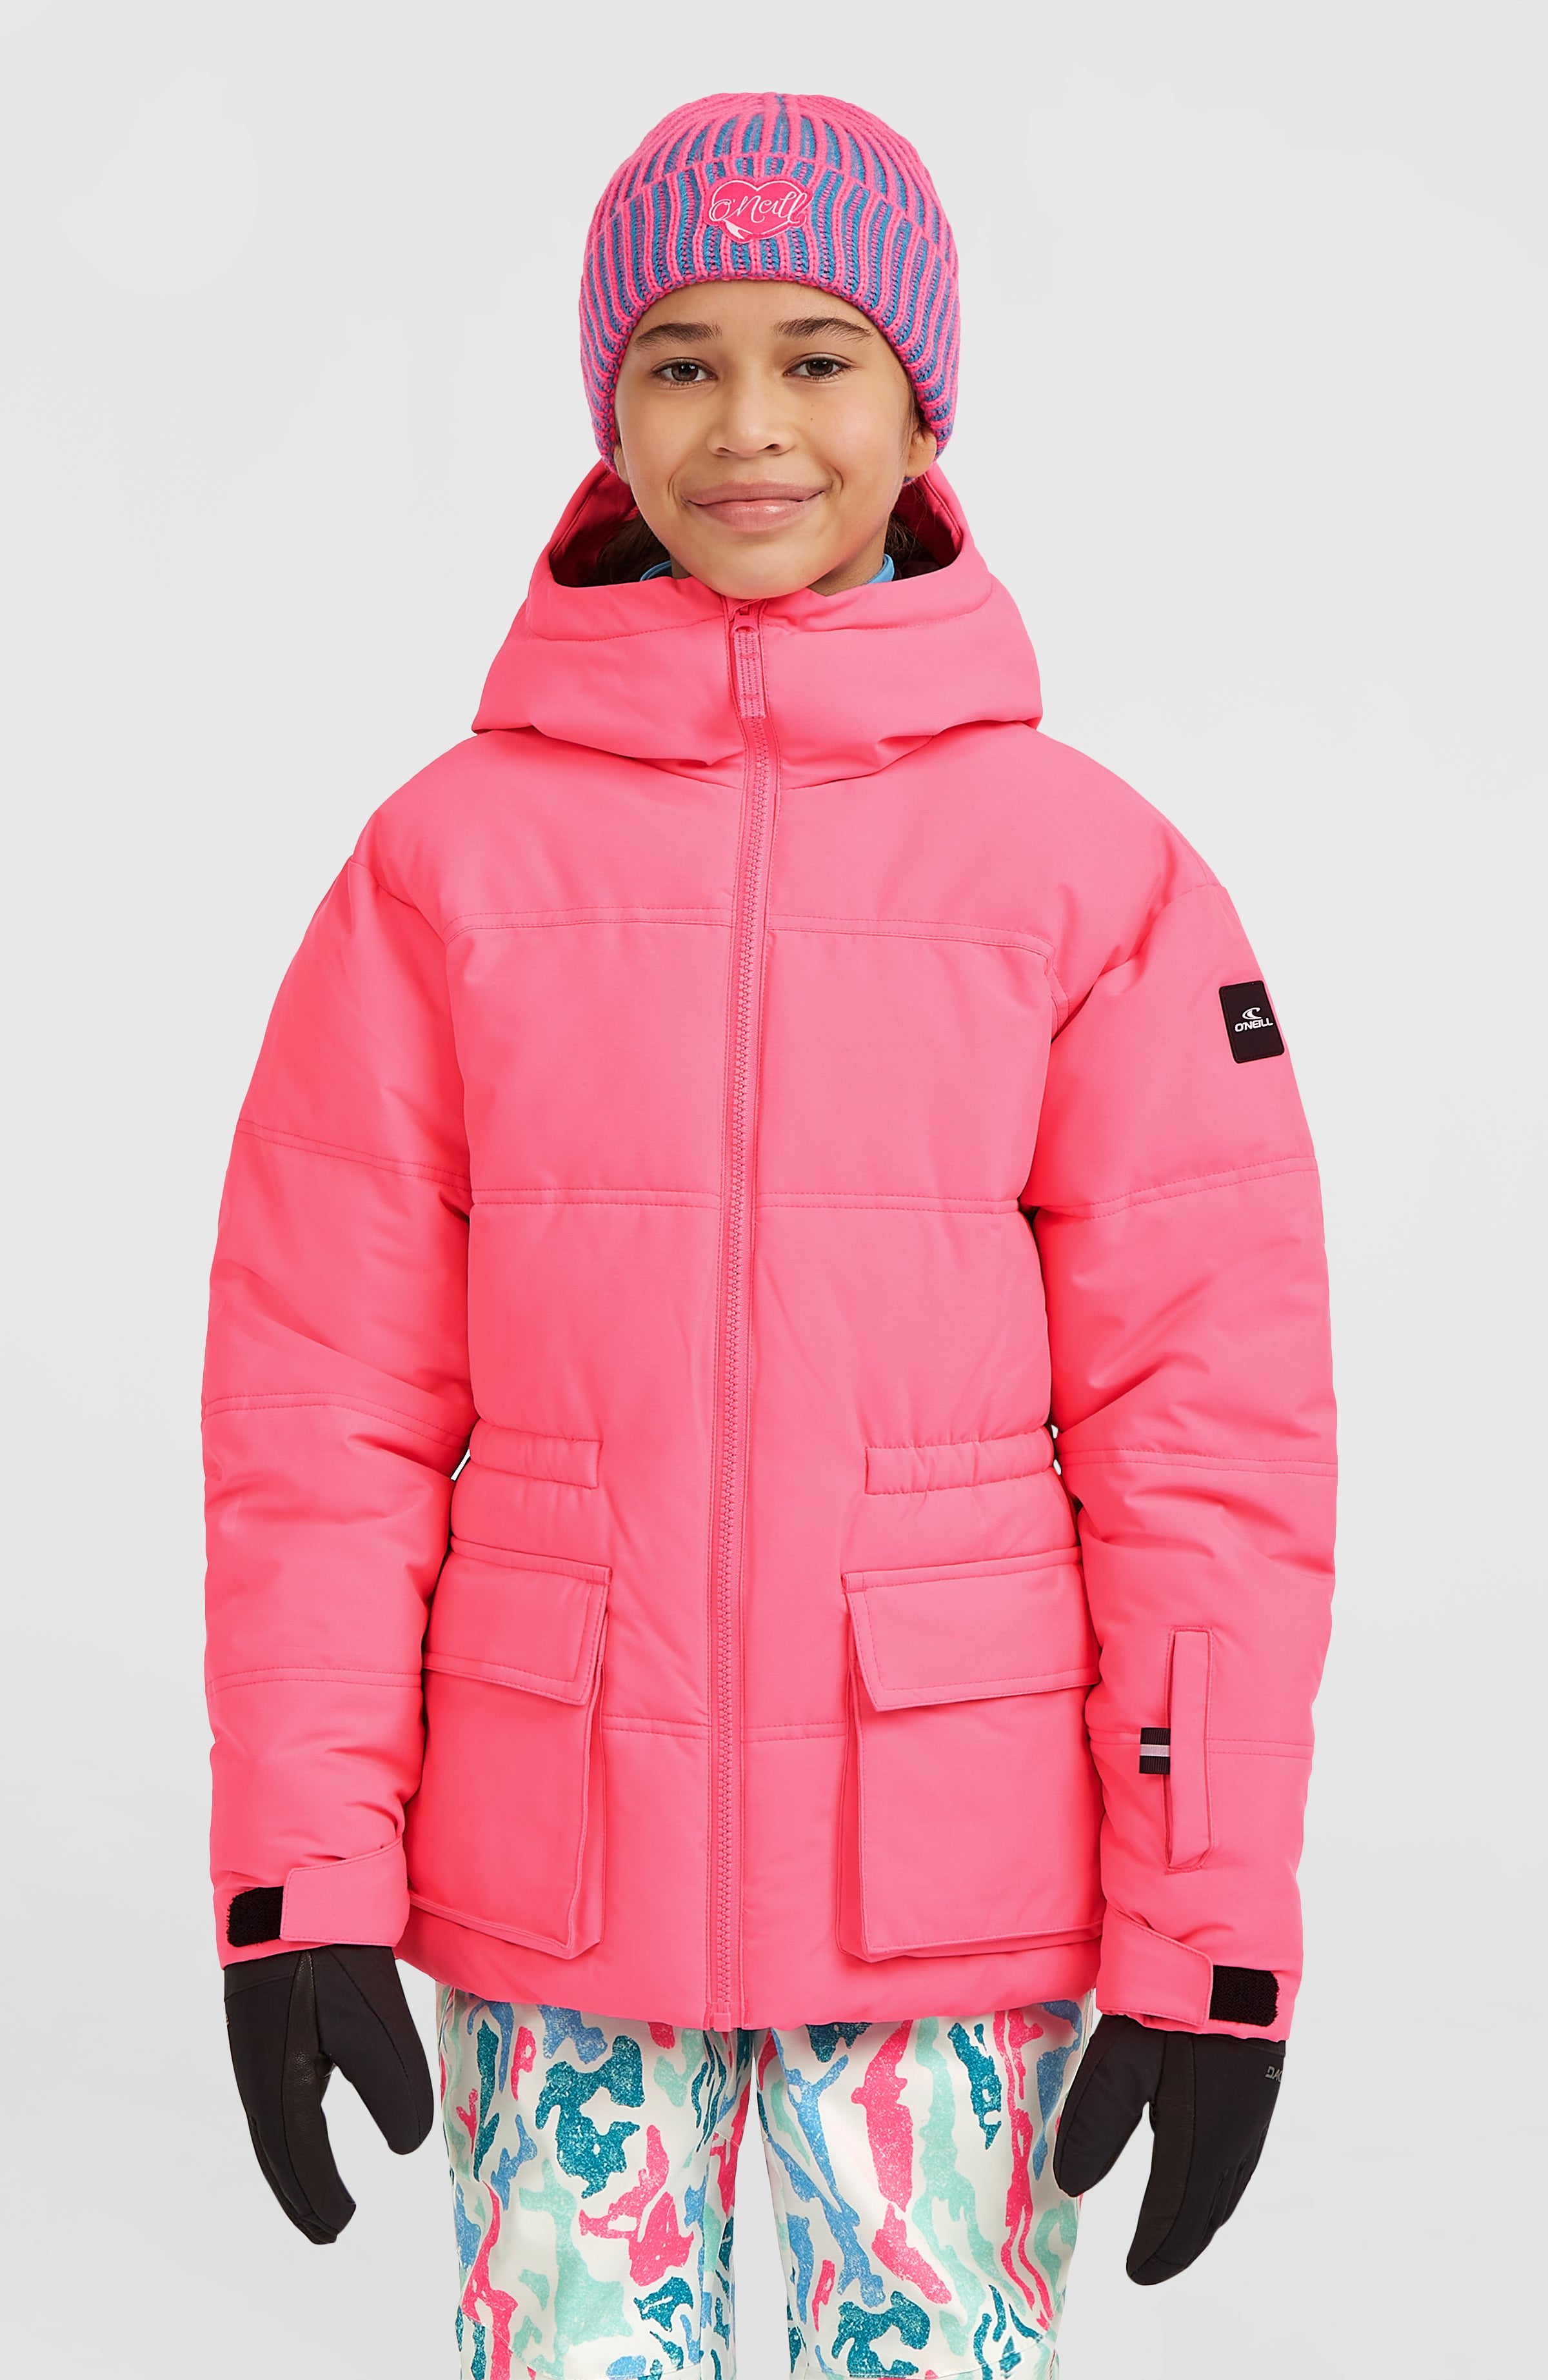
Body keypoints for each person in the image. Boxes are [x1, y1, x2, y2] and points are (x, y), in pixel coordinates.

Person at [204, 91, 1335, 2378]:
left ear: (923, 409)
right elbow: (319, 1411)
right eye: (681, 360)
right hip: (556, 1908)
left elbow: (1206, 1435)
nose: (748, 426)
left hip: (951, 1914)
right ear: (606, 410)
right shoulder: (444, 868)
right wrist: (298, 1875)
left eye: (818, 355)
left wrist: (1207, 1926)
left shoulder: (1087, 875)